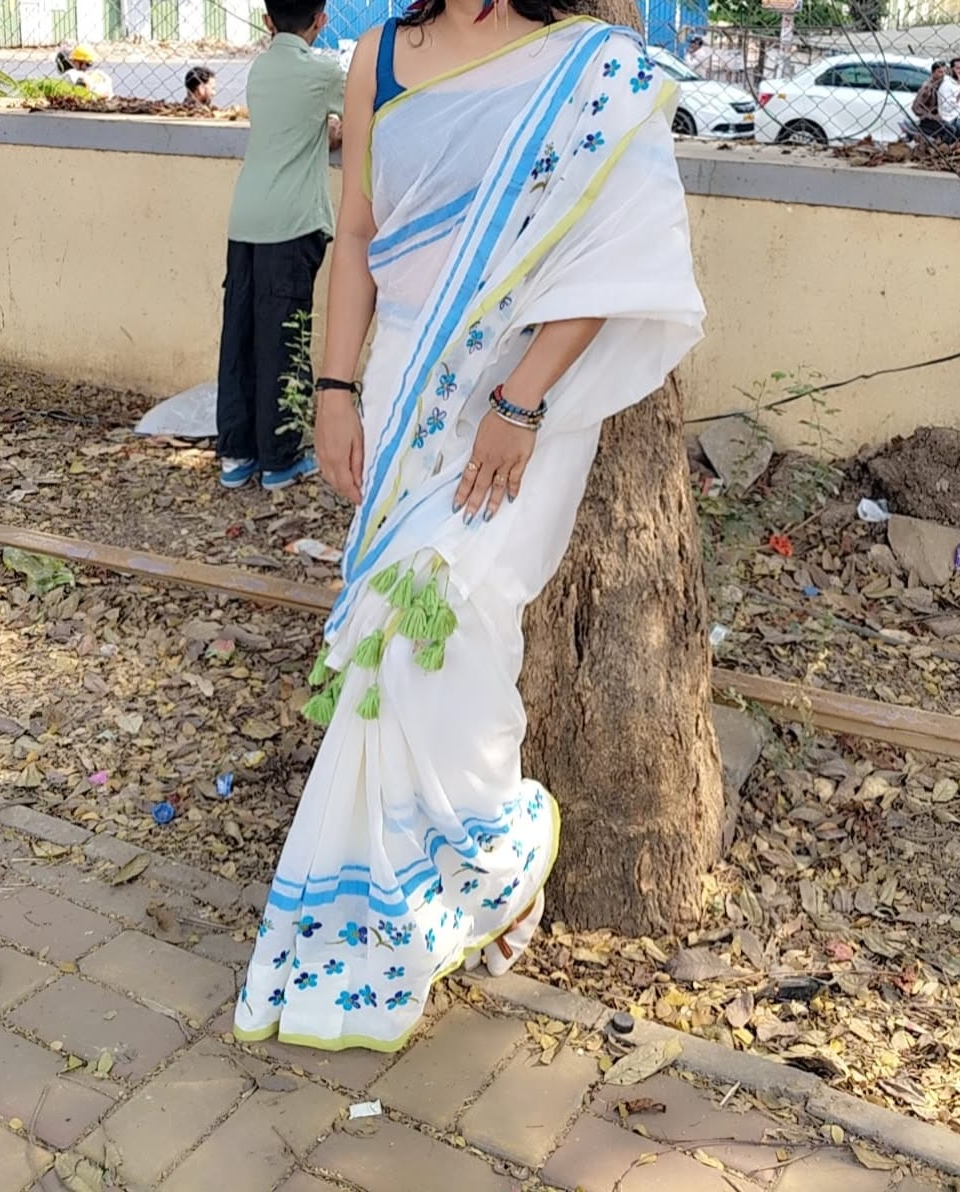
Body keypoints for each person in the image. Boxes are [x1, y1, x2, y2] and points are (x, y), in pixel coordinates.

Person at [233, 0, 704, 1052]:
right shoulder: (379, 57)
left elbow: (608, 258)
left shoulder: (591, 65)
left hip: (514, 398)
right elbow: (355, 236)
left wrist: (522, 400)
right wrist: (337, 389)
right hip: (400, 378)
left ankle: (495, 855)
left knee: (458, 613)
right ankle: (435, 881)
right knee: (389, 649)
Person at [216, 0, 345, 491]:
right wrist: (333, 132)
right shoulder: (323, 69)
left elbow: (291, 126)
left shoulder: (260, 68)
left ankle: (237, 454)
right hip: (292, 222)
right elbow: (358, 117)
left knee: (241, 334)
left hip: (245, 218)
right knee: (285, 339)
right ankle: (281, 458)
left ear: (268, 20)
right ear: (322, 19)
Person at [911, 60, 949, 140]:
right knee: (950, 130)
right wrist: (931, 116)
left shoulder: (942, 85)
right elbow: (916, 107)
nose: (943, 75)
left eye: (944, 72)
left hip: (943, 117)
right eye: (940, 72)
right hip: (929, 120)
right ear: (933, 73)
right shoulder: (927, 88)